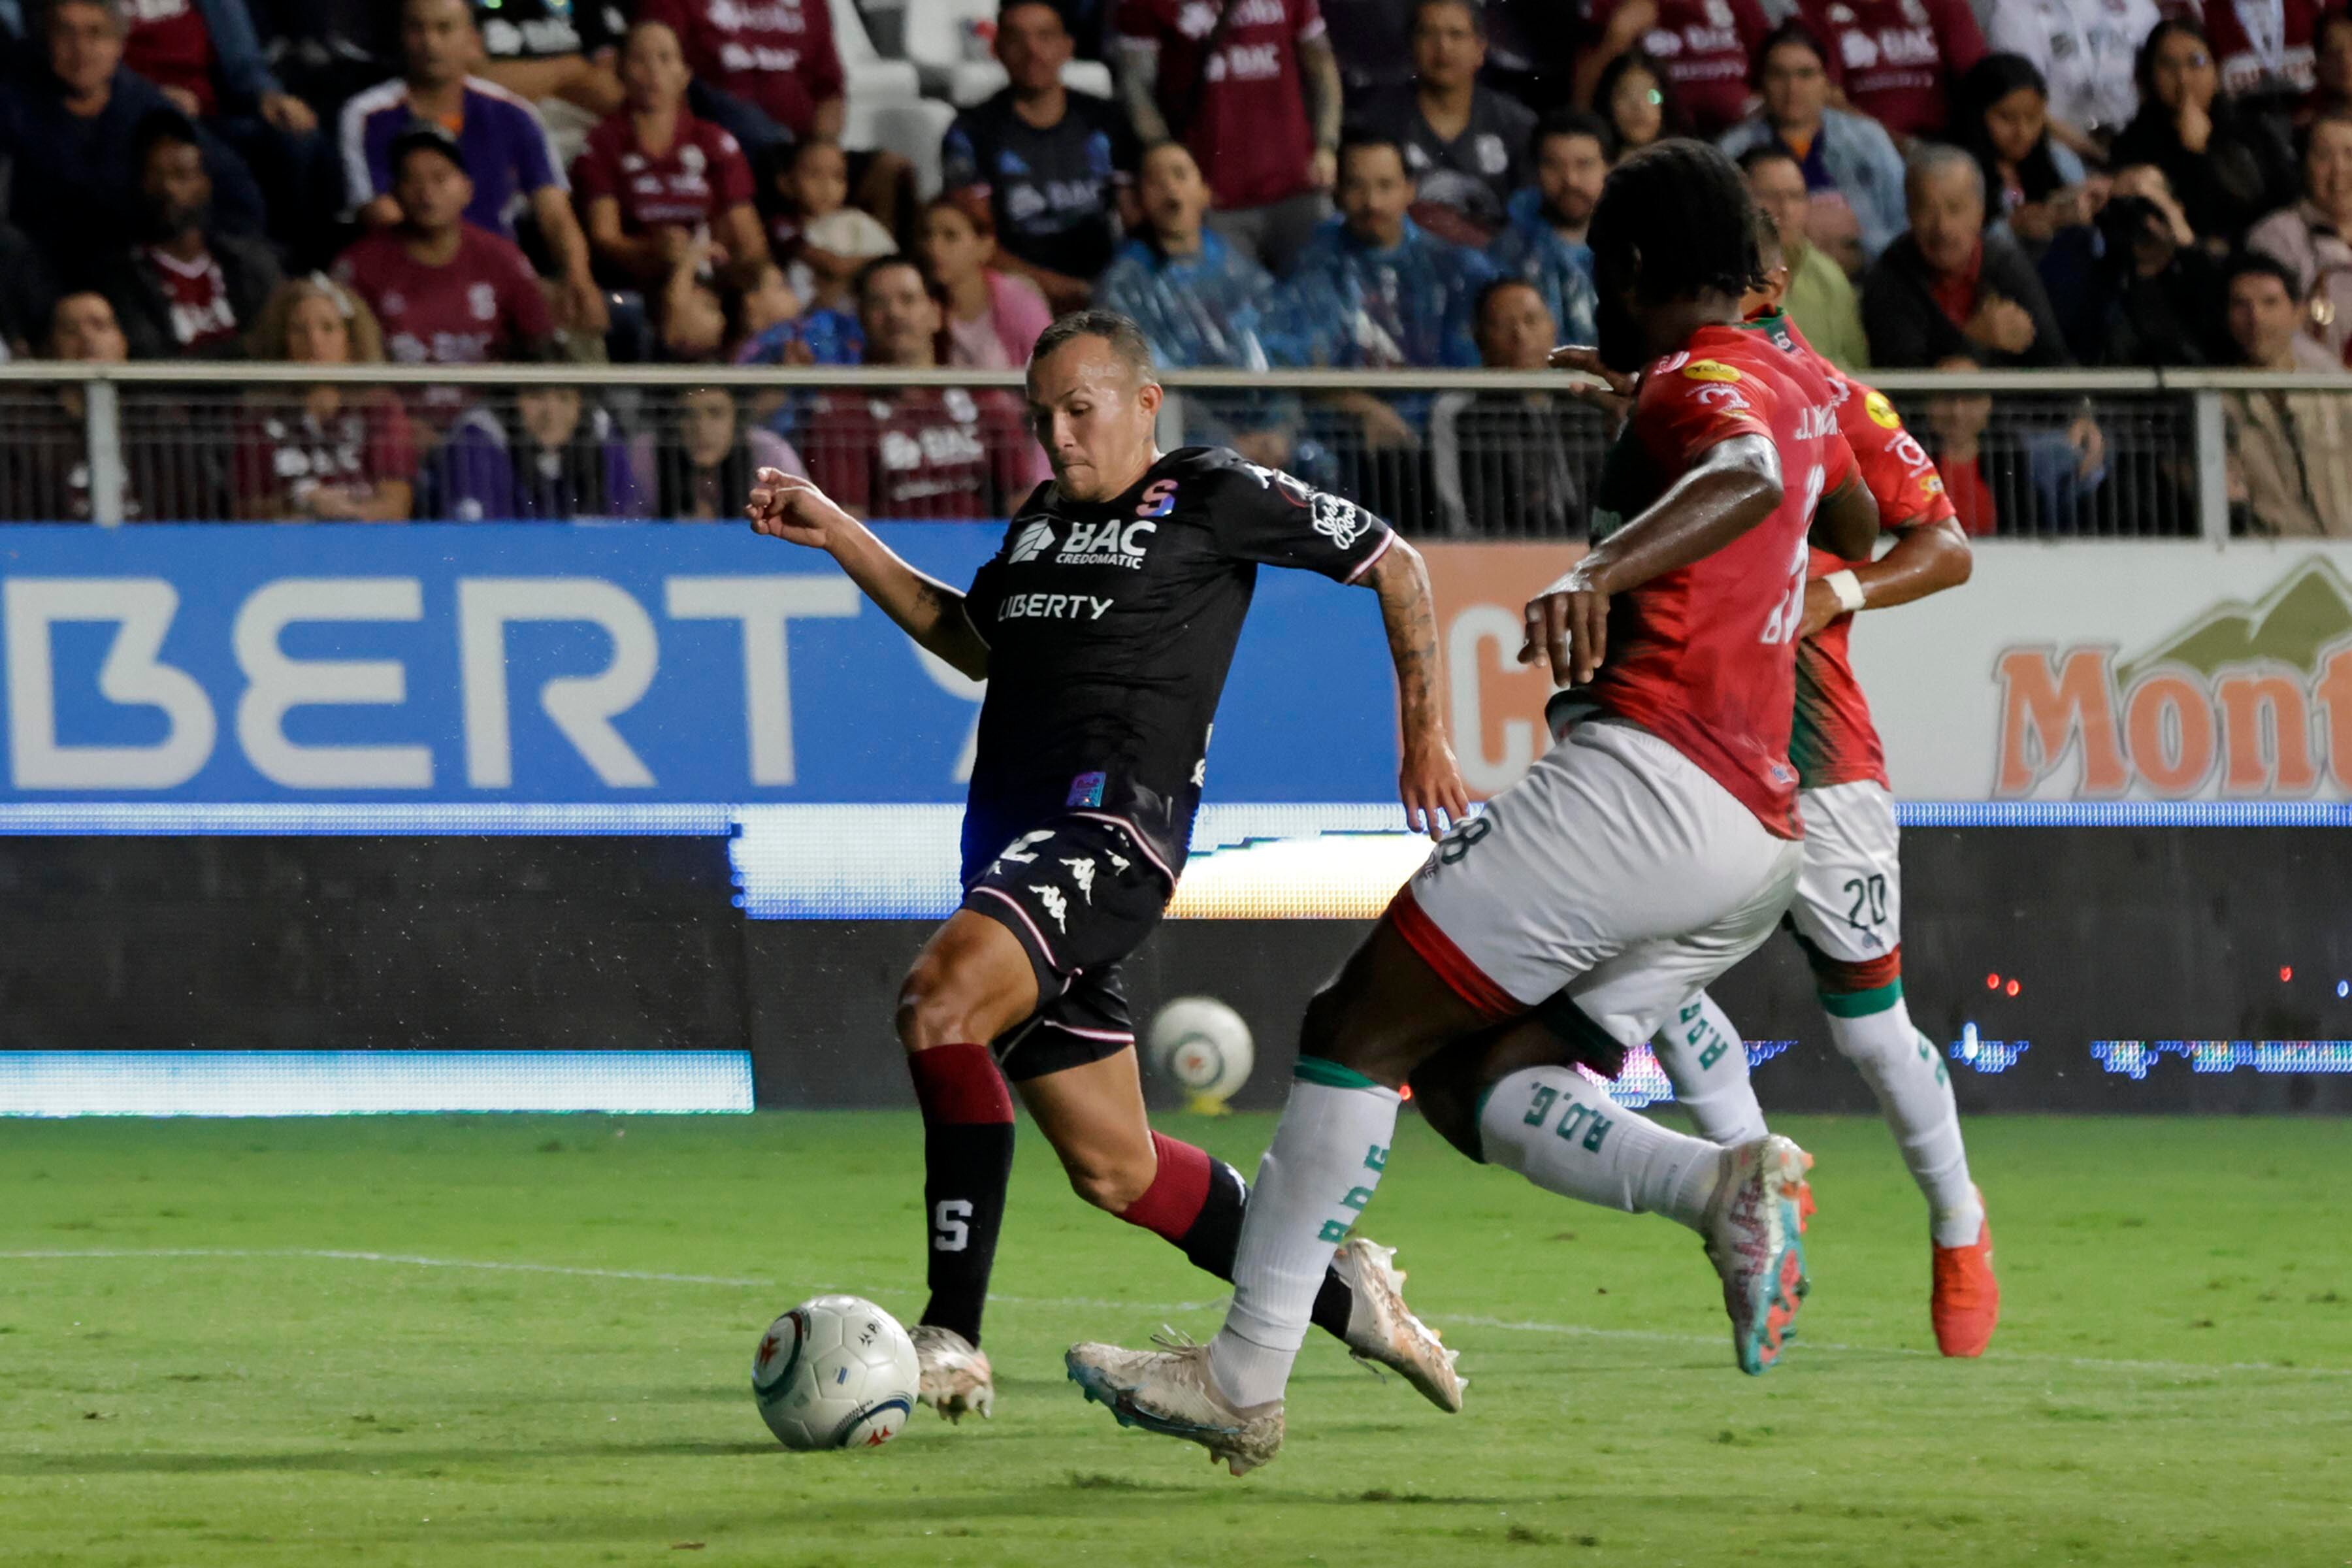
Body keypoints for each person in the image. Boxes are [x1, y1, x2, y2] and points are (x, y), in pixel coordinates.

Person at [1065, 142, 1880, 1475]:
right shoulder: (1790, 376)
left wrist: (1602, 567)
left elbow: (1740, 472)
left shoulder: (1705, 383)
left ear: (1630, 270)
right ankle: (1718, 1184)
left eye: (1600, 275)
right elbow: (1844, 514)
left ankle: (1243, 1377)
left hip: (1649, 786)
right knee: (1470, 1077)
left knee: (1353, 1028)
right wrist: (1654, 412)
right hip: (1758, 837)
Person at [742, 305, 1470, 1428]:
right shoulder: (1040, 521)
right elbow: (969, 639)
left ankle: (952, 1336)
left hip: (1107, 836)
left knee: (939, 1005)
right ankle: (1345, 1296)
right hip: (1013, 850)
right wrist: (842, 532)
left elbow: (1396, 563)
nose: (1059, 436)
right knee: (1117, 1170)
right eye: (1042, 417)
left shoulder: (1214, 493)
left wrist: (1424, 733)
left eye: (1080, 410)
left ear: (1145, 403)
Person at [1624, 228, 1993, 1358]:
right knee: (1641, 977)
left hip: (1822, 761)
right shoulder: (1675, 380)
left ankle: (1960, 1225)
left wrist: (1846, 591)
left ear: (1774, 286)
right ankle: (1759, 1192)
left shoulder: (1836, 400)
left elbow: (1947, 547)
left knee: (1871, 1033)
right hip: (1696, 744)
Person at [1263, 133, 1492, 524]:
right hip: (1347, 446)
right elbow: (1290, 362)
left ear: (1409, 189)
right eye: (1358, 186)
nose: (1372, 202)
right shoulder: (1313, 268)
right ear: (1337, 192)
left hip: (1443, 440)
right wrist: (1362, 407)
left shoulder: (1457, 269)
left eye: (1385, 186)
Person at [340, 0, 603, 332]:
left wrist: (578, 278)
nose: (430, 42)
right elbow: (381, 214)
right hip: (405, 286)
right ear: (401, 36)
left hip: (501, 283)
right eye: (418, 28)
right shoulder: (367, 116)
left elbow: (555, 214)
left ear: (471, 39)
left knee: (578, 313)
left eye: (444, 28)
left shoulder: (515, 113)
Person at [0, 0, 265, 281]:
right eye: (65, 32)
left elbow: (236, 192)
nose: (81, 48)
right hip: (43, 270)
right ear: (46, 39)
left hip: (137, 275)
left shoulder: (146, 105)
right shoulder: (13, 104)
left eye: (95, 33)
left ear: (119, 44)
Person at [1092, 140, 1288, 463]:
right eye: (1156, 181)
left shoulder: (1243, 272)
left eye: (1180, 175)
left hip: (1266, 443)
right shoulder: (1122, 285)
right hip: (1180, 447)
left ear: (1205, 191)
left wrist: (1281, 431)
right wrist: (1226, 444)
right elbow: (1146, 382)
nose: (1170, 188)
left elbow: (1283, 357)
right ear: (1140, 200)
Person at [1115, 0, 1345, 274]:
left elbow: (1323, 68)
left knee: (1320, 291)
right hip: (1214, 199)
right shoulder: (1147, 5)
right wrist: (1171, 168)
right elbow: (1136, 89)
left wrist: (1327, 144)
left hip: (1298, 188)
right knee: (1229, 301)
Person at [801, 257, 1040, 519]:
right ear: (862, 318)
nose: (894, 313)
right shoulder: (842, 412)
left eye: (908, 300)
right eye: (878, 303)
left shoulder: (982, 396)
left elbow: (1019, 500)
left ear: (936, 314)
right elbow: (847, 520)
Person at [941, 0, 1139, 314]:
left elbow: (1135, 222)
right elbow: (976, 243)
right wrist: (1055, 288)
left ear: (1067, 47)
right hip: (1012, 294)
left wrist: (1116, 284)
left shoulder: (1106, 120)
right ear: (997, 48)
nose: (1032, 51)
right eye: (1017, 39)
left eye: (1045, 36)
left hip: (1105, 287)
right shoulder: (970, 132)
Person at [331, 125, 557, 374]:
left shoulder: (503, 259)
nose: (426, 192)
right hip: (394, 397)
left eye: (440, 178)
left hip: (489, 396)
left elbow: (541, 347)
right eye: (411, 180)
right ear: (394, 192)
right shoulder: (359, 266)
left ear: (467, 189)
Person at [572, 20, 764, 292]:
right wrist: (652, 250)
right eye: (639, 59)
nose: (653, 71)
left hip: (711, 283)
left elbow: (749, 239)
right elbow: (605, 237)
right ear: (620, 71)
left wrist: (723, 264)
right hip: (633, 286)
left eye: (665, 58)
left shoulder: (714, 141)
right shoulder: (601, 143)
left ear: (685, 74)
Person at [1861, 144, 2070, 367]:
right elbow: (1905, 380)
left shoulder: (2005, 263)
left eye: (1955, 209)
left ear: (1980, 213)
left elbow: (2057, 365)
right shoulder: (1890, 276)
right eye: (1926, 210)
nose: (1942, 228)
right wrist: (1975, 339)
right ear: (1909, 213)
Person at [1716, 22, 1908, 263]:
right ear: (1762, 84)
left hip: (1869, 273)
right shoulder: (1732, 149)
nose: (1792, 88)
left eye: (1805, 74)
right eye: (1778, 75)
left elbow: (1903, 223)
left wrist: (1863, 249)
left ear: (1827, 83)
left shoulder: (1868, 139)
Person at [97, 112, 283, 361]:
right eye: (156, 175)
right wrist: (244, 348)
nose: (169, 188)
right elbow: (151, 365)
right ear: (140, 183)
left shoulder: (250, 264)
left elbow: (278, 342)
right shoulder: (123, 277)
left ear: (205, 184)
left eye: (181, 175)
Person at [233, 276, 417, 522]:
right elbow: (245, 509)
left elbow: (396, 506)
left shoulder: (380, 409)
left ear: (351, 340)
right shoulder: (259, 414)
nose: (314, 341)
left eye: (328, 328)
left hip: (363, 537)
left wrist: (345, 513)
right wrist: (302, 504)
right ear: (282, 340)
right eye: (299, 330)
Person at [1356, 0, 1539, 239]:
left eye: (1456, 34)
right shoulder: (1376, 123)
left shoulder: (1518, 125)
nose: (1443, 47)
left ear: (1480, 48)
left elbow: (1532, 223)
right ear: (1411, 46)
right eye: (1428, 34)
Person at [2108, 20, 2295, 246]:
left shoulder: (2250, 128)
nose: (2183, 79)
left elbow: (2279, 200)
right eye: (2168, 66)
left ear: (2216, 70)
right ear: (2150, 75)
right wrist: (2195, 156)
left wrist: (2212, 150)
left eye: (2196, 62)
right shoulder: (2134, 143)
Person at [1428, 276, 1580, 535]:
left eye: (1531, 321)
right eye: (1503, 325)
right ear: (1479, 338)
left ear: (1553, 328)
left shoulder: (1582, 401)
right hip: (1498, 548)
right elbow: (1452, 508)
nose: (1520, 336)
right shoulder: (1456, 410)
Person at [2222, 253, 2352, 534]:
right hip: (2264, 555)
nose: (2256, 317)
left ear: (2299, 313)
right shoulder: (2219, 403)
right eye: (2241, 305)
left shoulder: (2337, 393)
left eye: (2270, 303)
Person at [635, 0, 843, 155]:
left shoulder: (811, 4)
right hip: (719, 142)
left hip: (796, 156)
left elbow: (830, 92)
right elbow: (655, 72)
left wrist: (821, 150)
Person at [1742, 144, 1868, 368]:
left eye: (1796, 197)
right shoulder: (1724, 280)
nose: (1785, 210)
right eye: (1770, 197)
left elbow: (1857, 365)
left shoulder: (1829, 276)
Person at [1484, 110, 1603, 346]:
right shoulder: (1509, 254)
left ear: (1609, 167)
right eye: (1554, 165)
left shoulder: (1636, 248)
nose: (1570, 180)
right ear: (1535, 171)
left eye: (1584, 164)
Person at [1984, 0, 2158, 156]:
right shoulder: (2013, 9)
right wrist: (2096, 153)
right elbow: (2021, 100)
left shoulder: (2139, 6)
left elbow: (2161, 77)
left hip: (2134, 141)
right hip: (2056, 148)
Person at [1795, 0, 1986, 141]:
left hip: (1944, 145)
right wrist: (1895, 144)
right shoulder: (1813, 9)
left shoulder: (1944, 4)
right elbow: (1828, 98)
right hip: (1859, 145)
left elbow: (1981, 83)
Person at [1573, 0, 1768, 137]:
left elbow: (1773, 65)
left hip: (1740, 136)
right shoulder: (1617, 6)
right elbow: (1581, 99)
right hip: (1650, 138)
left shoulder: (1738, 4)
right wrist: (1616, 38)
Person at [1955, 53, 2087, 253]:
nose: (2022, 132)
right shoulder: (1954, 172)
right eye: (2007, 118)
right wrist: (2010, 229)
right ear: (1977, 115)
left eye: (2032, 118)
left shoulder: (2060, 161)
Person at [2248, 109, 2352, 364]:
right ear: (2304, 164)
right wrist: (2338, 381)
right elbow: (2276, 334)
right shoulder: (2275, 237)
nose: (2339, 170)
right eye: (2323, 156)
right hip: (2315, 383)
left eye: (2350, 155)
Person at [469, 0, 625, 167]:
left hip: (588, 135)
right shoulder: (469, 8)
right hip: (500, 134)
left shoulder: (591, 8)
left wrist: (533, 79)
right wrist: (572, 69)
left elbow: (613, 90)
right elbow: (473, 82)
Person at [766, 137, 898, 317]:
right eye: (814, 175)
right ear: (786, 183)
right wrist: (868, 260)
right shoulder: (783, 226)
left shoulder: (856, 222)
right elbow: (833, 265)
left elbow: (891, 262)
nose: (827, 187)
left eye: (838, 177)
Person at [921, 197, 1055, 369]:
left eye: (950, 236)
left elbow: (1049, 367)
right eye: (927, 235)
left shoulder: (1018, 300)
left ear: (985, 245)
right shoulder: (919, 304)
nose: (933, 248)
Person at [1592, 48, 1680, 155]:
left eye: (1651, 95)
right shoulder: (1592, 160)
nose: (1639, 107)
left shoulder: (1686, 162)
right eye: (1626, 95)